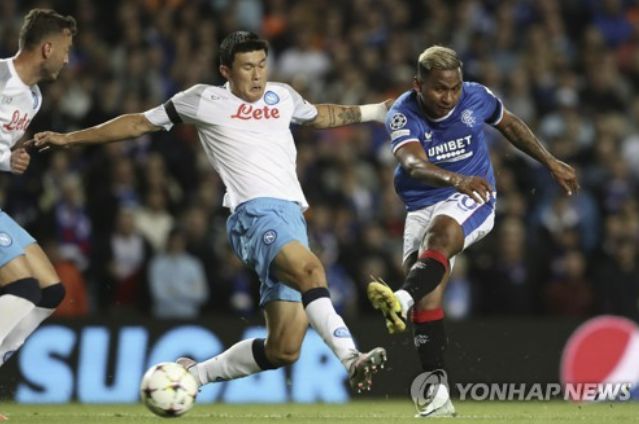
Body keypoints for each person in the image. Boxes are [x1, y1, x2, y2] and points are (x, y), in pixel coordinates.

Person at [34, 31, 390, 393]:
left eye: (262, 65)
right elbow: (139, 122)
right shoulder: (203, 99)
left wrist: (376, 111)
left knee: (284, 349)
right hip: (254, 214)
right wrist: (70, 139)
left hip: (292, 219)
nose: (257, 75)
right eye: (247, 67)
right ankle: (351, 357)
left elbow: (320, 115)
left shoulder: (282, 95)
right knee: (312, 270)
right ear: (226, 71)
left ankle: (194, 374)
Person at [365, 46, 579, 417]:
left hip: (475, 194)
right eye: (439, 89)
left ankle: (400, 298)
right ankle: (437, 394)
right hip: (424, 204)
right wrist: (455, 178)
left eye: (455, 88)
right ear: (418, 85)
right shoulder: (402, 113)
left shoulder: (476, 97)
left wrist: (549, 161)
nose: (449, 97)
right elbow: (413, 164)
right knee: (428, 300)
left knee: (438, 239)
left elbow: (509, 124)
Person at [0, 9, 75, 421]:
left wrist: (14, 156)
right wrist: (5, 160)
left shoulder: (33, 98)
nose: (67, 58)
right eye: (65, 49)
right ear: (47, 48)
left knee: (49, 291)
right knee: (23, 287)